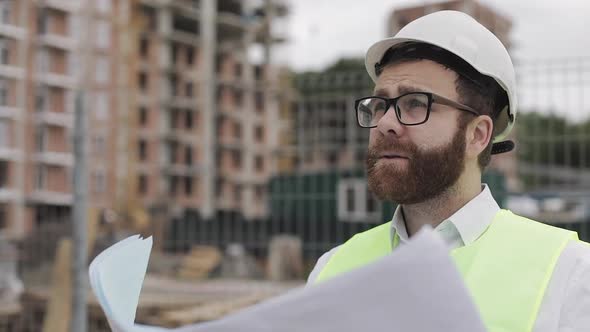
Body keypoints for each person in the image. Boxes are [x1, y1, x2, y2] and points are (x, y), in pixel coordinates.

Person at [306, 10, 590, 332]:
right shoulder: (331, 268)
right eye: (381, 104)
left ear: (478, 135)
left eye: (415, 103)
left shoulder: (571, 275)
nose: (385, 123)